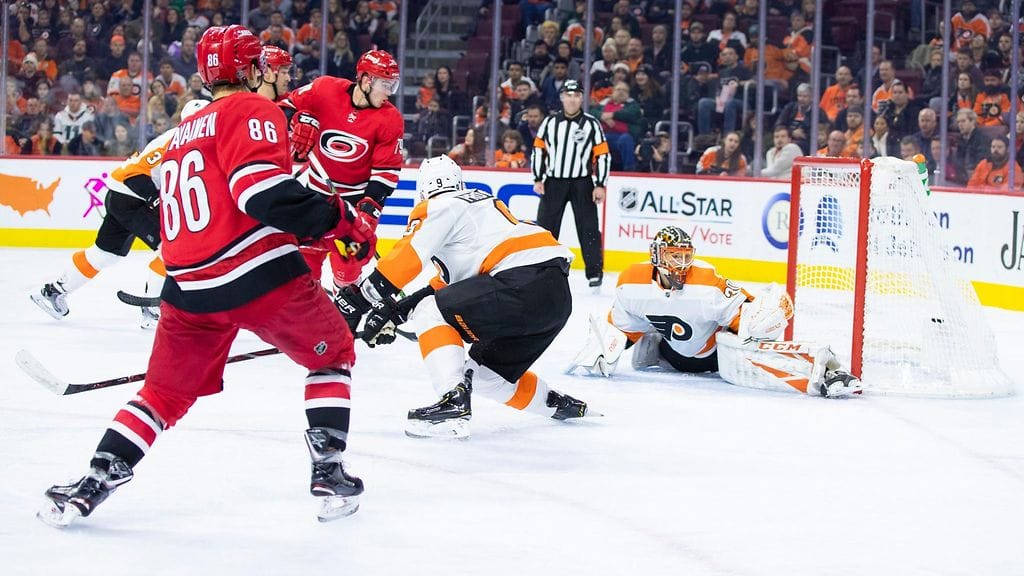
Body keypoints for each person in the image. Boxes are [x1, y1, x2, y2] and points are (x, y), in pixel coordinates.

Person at [37, 25, 376, 528]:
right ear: (248, 70)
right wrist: (341, 218)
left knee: (160, 395)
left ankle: (91, 485)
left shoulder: (183, 131)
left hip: (188, 291)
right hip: (262, 277)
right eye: (260, 64)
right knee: (334, 355)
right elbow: (260, 195)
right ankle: (328, 470)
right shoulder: (252, 110)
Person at [334, 155, 595, 438]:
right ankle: (557, 404)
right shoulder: (482, 207)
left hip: (519, 282)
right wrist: (395, 313)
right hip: (554, 298)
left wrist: (358, 301)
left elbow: (405, 261)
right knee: (486, 379)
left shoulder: (439, 206)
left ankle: (452, 401)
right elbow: (450, 287)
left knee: (428, 311)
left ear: (422, 191)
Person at [567, 226, 862, 398]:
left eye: (686, 256)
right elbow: (622, 326)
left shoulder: (708, 283)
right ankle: (654, 346)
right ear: (657, 256)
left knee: (747, 350)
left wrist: (760, 318)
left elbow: (747, 317)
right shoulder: (631, 282)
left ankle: (823, 372)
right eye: (674, 256)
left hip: (716, 358)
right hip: (673, 357)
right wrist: (603, 352)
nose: (682, 263)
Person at [31, 98, 210, 327]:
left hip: (120, 196)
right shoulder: (174, 140)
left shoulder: (192, 141)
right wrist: (156, 201)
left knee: (104, 253)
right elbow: (134, 175)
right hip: (130, 198)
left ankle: (53, 291)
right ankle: (153, 311)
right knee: (170, 247)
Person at [280, 49, 404, 292]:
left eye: (393, 86)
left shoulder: (391, 119)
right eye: (386, 85)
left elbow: (385, 173)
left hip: (353, 205)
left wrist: (368, 211)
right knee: (305, 265)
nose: (389, 93)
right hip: (313, 197)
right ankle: (311, 313)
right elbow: (284, 106)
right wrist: (296, 120)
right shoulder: (324, 89)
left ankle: (347, 298)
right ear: (367, 80)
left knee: (347, 267)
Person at [530, 79, 610, 288]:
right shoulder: (549, 123)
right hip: (554, 181)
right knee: (546, 227)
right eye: (568, 95)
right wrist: (538, 178)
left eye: (576, 95)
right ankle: (542, 268)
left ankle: (594, 272)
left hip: (582, 182)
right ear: (562, 97)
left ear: (581, 98)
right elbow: (539, 149)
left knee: (589, 228)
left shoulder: (592, 123)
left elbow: (602, 155)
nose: (572, 99)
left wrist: (600, 184)